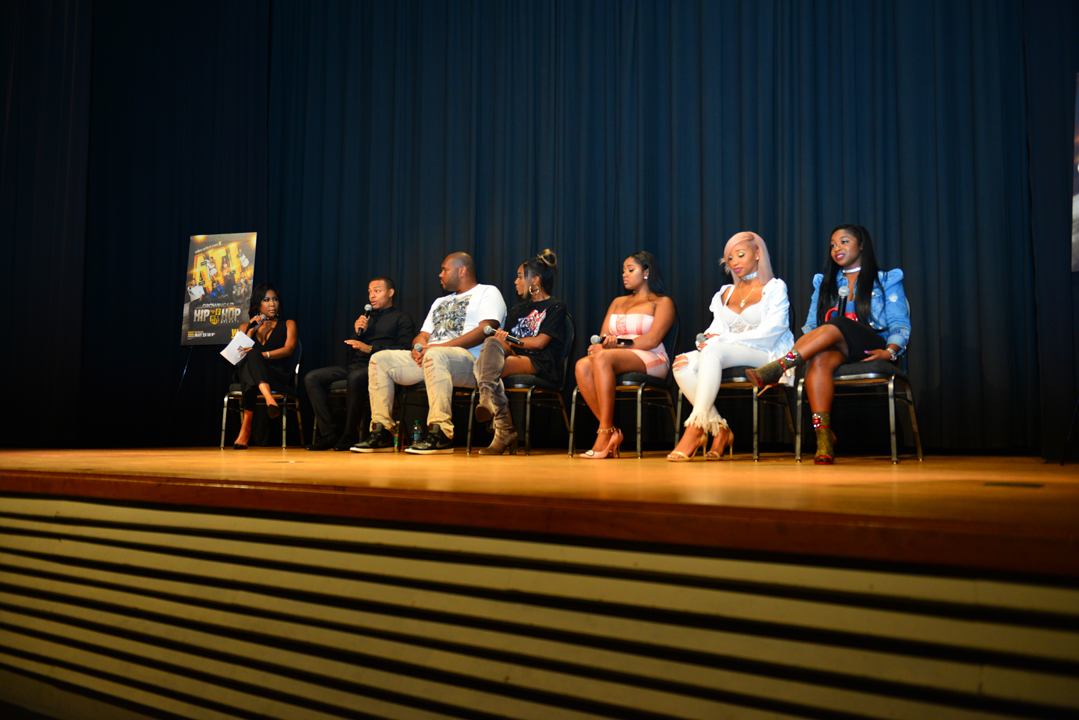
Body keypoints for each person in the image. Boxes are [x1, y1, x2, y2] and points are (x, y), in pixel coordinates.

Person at [746, 224, 911, 464]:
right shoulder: (825, 283)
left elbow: (899, 324)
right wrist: (813, 347)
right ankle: (823, 436)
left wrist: (890, 352)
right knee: (820, 359)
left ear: (861, 245)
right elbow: (812, 326)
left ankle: (780, 366)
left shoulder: (885, 280)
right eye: (832, 245)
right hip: (837, 348)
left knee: (839, 321)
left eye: (844, 242)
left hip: (871, 345)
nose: (836, 248)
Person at [352, 253, 507, 454]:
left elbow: (485, 331)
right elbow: (423, 335)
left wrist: (438, 348)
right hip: (432, 360)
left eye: (445, 269)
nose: (440, 274)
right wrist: (418, 349)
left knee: (436, 355)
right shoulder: (440, 301)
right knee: (380, 359)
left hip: (471, 363)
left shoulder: (488, 292)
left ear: (462, 270)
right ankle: (383, 431)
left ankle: (441, 432)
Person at [667, 232, 795, 461]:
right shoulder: (725, 293)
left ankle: (696, 428)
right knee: (681, 364)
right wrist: (706, 339)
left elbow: (772, 333)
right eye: (730, 258)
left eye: (740, 255)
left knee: (714, 350)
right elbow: (716, 330)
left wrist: (721, 340)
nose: (734, 262)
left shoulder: (774, 288)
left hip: (767, 353)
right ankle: (720, 429)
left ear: (757, 253)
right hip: (728, 351)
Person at [574, 251, 675, 459]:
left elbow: (652, 340)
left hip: (651, 356)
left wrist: (616, 347)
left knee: (603, 358)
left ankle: (603, 433)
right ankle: (611, 429)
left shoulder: (662, 302)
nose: (624, 274)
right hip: (615, 356)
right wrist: (601, 345)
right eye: (623, 271)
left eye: (630, 270)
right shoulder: (617, 301)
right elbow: (604, 335)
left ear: (646, 272)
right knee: (582, 365)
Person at [473, 250, 568, 455]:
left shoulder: (555, 306)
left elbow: (540, 343)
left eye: (520, 276)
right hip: (516, 356)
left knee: (487, 368)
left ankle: (501, 426)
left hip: (541, 361)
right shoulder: (517, 310)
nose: (515, 282)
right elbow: (508, 347)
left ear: (535, 280)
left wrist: (510, 340)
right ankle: (500, 422)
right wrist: (501, 340)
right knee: (491, 344)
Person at [304, 277, 414, 451]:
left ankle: (350, 434)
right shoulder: (367, 319)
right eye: (369, 292)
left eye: (377, 291)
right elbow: (353, 353)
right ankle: (329, 434)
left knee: (355, 377)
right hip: (356, 366)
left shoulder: (402, 318)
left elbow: (405, 350)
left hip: (381, 371)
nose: (372, 296)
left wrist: (370, 348)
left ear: (390, 292)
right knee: (312, 378)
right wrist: (358, 334)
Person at [231, 283, 299, 449]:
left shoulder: (288, 324)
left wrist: (262, 355)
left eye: (275, 299)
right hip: (251, 374)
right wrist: (251, 331)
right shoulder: (244, 327)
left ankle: (246, 428)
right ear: (258, 304)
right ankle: (270, 400)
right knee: (249, 361)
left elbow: (289, 350)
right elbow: (236, 355)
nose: (272, 304)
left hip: (276, 375)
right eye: (266, 300)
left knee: (253, 356)